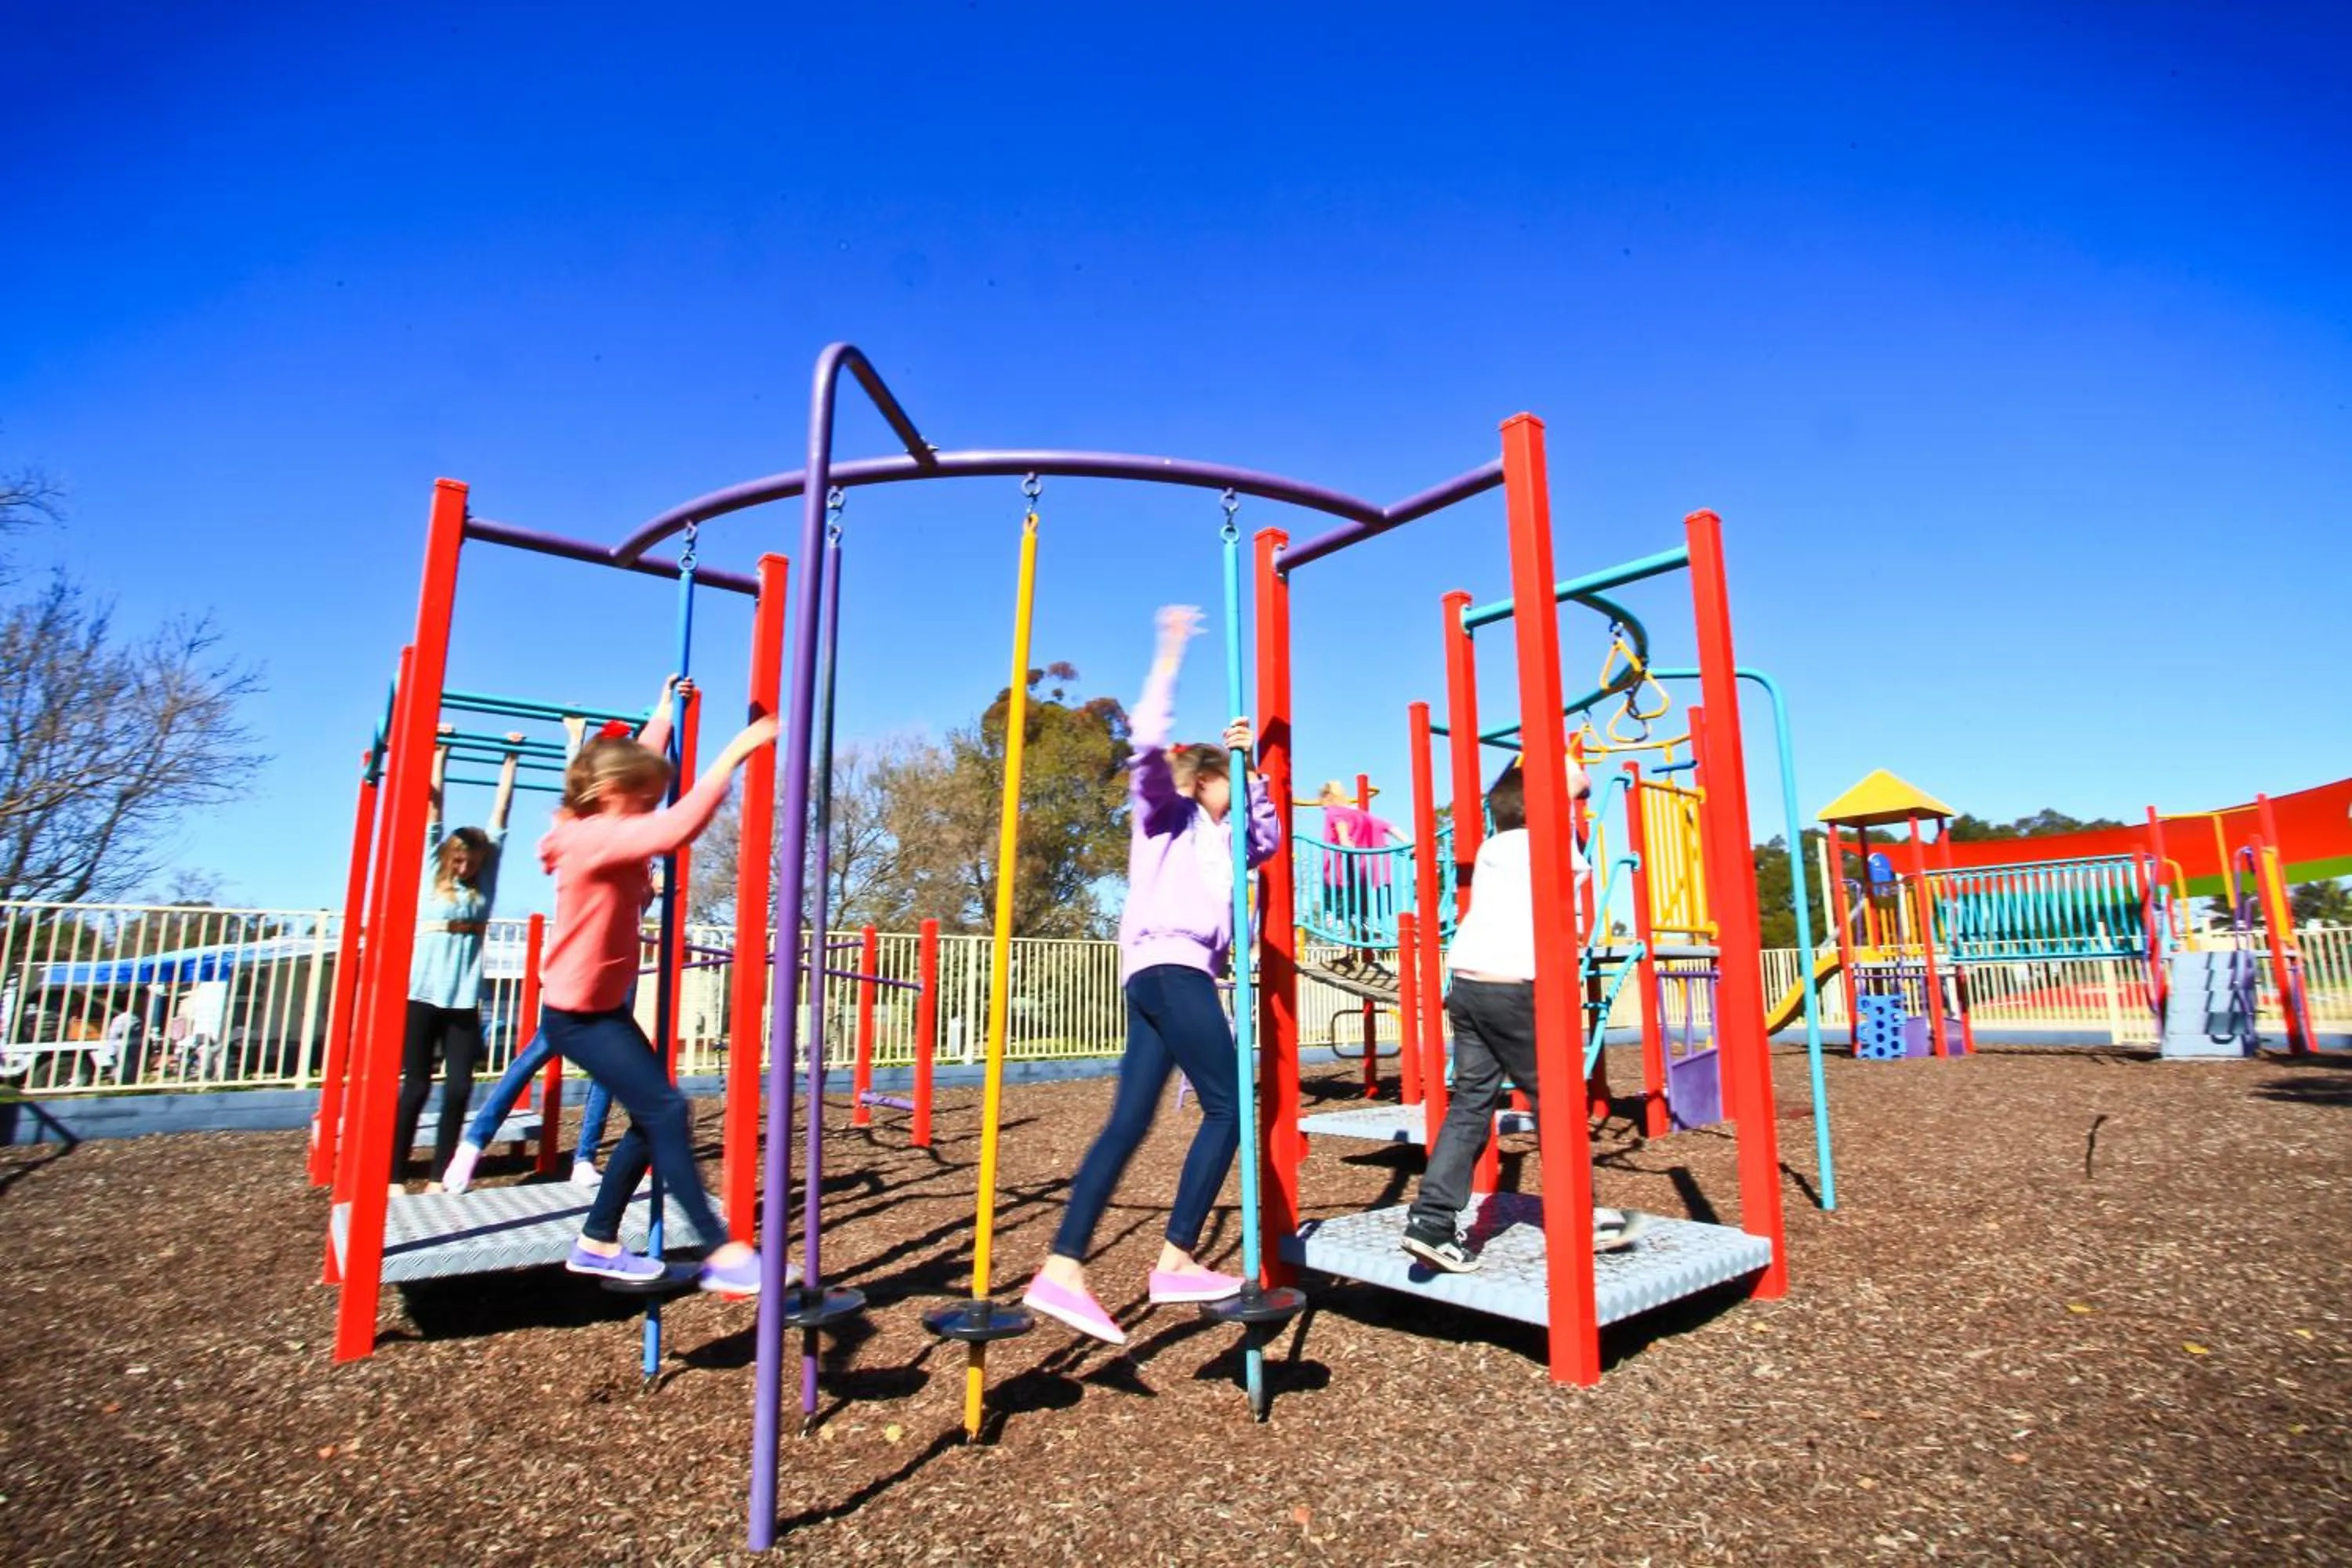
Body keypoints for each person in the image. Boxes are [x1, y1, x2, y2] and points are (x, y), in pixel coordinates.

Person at [1022, 604, 1282, 1345]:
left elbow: (1262, 840)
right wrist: (1168, 655)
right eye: (1228, 777)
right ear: (1201, 781)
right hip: (1170, 966)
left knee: (1129, 1121)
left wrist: (1253, 768)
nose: (1239, 787)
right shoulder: (1166, 818)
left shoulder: (1225, 836)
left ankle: (1062, 1270)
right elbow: (1146, 750)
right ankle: (1175, 1258)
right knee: (1232, 1107)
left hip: (1160, 975)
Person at [536, 691, 775, 1294]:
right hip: (579, 1016)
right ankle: (723, 1252)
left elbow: (631, 765)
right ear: (614, 796)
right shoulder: (595, 839)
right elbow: (679, 826)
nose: (649, 808)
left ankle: (596, 1242)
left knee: (656, 1117)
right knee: (667, 1110)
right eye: (643, 798)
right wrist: (736, 753)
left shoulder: (603, 816)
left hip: (602, 1009)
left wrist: (666, 710)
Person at [437, 681, 697, 1197]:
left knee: (611, 1075)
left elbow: (641, 774)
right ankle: (474, 1142)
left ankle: (583, 1156)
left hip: (612, 979)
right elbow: (603, 775)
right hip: (574, 983)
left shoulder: (633, 839)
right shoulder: (588, 828)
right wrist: (656, 714)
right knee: (536, 1053)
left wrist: (669, 705)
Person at [1398, 756, 1646, 1272]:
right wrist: (1562, 756)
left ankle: (1431, 1222)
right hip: (1512, 989)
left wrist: (1530, 765)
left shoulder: (1492, 847)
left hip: (1467, 984)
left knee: (1471, 1104)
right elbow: (1577, 784)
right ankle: (1584, 1222)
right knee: (1557, 1102)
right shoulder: (1548, 846)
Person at [389, 731, 520, 1189]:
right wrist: (438, 755)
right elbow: (433, 813)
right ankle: (393, 1172)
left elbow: (500, 819)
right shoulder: (433, 874)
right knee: (417, 1085)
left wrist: (510, 760)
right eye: (460, 859)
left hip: (463, 996)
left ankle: (441, 1173)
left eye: (473, 860)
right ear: (450, 857)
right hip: (423, 991)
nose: (465, 867)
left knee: (460, 1087)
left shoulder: (484, 883)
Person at [1313, 779, 1401, 977]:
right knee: (1355, 912)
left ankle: (1346, 950)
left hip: (1337, 873)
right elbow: (1388, 826)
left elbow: (1339, 824)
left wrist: (1344, 840)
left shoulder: (1333, 810)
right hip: (1360, 874)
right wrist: (1410, 843)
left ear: (1327, 797)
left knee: (1333, 913)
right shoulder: (1360, 814)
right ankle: (1370, 939)